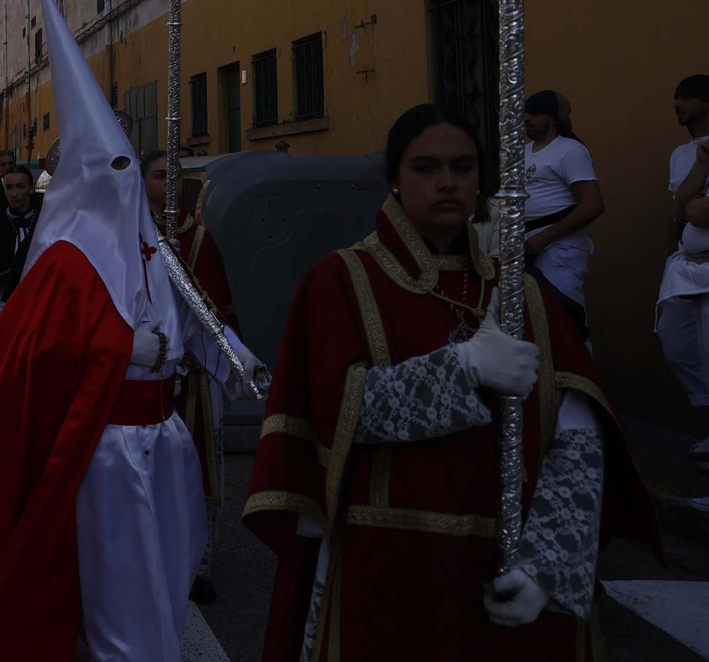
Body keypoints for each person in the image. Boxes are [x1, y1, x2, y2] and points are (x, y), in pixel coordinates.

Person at [0, 0, 263, 661]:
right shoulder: (66, 262)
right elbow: (34, 354)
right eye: (116, 169)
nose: (129, 182)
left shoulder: (154, 246)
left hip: (167, 444)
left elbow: (190, 318)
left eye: (134, 170)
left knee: (167, 584)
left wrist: (232, 355)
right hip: (108, 457)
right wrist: (119, 348)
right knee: (119, 605)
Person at [245, 104, 657, 660]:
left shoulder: (522, 295)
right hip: (385, 566)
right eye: (426, 167)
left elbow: (578, 439)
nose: (447, 182)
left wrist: (551, 565)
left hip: (508, 568)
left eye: (463, 168)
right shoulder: (340, 280)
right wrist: (460, 370)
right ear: (394, 177)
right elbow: (337, 414)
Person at [143, 148, 237, 605]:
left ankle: (197, 563)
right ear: (142, 182)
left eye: (176, 176)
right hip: (142, 373)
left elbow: (218, 309)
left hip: (195, 373)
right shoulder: (130, 236)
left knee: (199, 469)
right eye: (160, 175)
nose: (169, 184)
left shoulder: (198, 239)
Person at [522, 90, 605, 337]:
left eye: (535, 113)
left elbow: (593, 204)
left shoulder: (570, 150)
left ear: (553, 117)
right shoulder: (523, 152)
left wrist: (545, 237)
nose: (527, 118)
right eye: (525, 112)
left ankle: (580, 375)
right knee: (536, 325)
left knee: (567, 323)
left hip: (558, 250)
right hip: (526, 249)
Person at [659, 74, 709, 471]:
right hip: (684, 267)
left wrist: (690, 202)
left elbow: (699, 211)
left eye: (686, 98)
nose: (677, 104)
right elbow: (681, 211)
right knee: (676, 345)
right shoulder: (682, 153)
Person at [0, 163, 40, 336]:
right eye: (9, 187)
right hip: (0, 297)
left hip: (36, 296)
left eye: (20, 187)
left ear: (31, 189)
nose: (14, 194)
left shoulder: (43, 223)